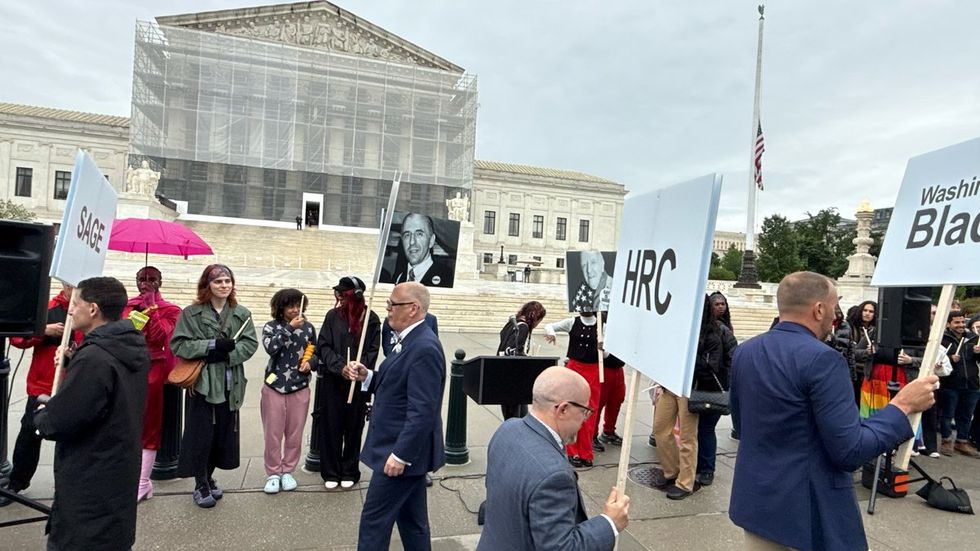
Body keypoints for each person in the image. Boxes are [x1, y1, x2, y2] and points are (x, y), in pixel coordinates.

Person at [729, 271, 938, 551]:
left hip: (757, 504)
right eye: (834, 305)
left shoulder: (746, 351)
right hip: (807, 514)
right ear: (818, 309)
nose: (835, 314)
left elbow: (742, 427)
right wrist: (902, 406)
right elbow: (850, 451)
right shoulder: (823, 359)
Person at [33, 277, 150, 551]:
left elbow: (63, 420)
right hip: (117, 468)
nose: (71, 310)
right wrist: (75, 361)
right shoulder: (129, 344)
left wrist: (42, 416)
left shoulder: (96, 358)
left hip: (91, 477)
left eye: (75, 303)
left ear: (94, 309)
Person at [478, 366, 629, 550]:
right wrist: (609, 523)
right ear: (563, 409)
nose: (585, 420)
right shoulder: (554, 476)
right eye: (585, 411)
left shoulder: (507, 429)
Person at [342, 282, 446, 550]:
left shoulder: (424, 347)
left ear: (413, 308)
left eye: (392, 304)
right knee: (412, 521)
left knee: (374, 522)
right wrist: (368, 376)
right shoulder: (409, 339)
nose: (388, 310)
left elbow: (423, 410)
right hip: (402, 450)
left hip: (399, 452)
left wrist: (401, 455)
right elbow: (397, 386)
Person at [171, 264, 258, 508]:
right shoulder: (191, 313)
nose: (224, 285)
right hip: (203, 385)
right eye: (218, 281)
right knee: (201, 435)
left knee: (221, 436)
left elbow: (250, 344)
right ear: (207, 285)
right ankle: (200, 483)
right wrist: (211, 346)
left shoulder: (242, 313)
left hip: (231, 385)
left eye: (227, 281)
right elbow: (179, 345)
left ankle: (209, 477)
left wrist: (230, 354)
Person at [0, 283, 82, 507]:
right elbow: (18, 340)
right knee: (30, 433)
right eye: (68, 283)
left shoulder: (86, 309)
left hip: (74, 384)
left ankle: (66, 488)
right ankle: (18, 482)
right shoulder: (48, 308)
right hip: (42, 384)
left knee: (71, 438)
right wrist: (43, 330)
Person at [122, 266, 181, 502]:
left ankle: (143, 481)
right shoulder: (127, 306)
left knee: (149, 425)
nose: (146, 283)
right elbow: (125, 336)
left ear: (160, 282)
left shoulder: (171, 310)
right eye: (142, 279)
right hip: (127, 368)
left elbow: (160, 337)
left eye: (152, 279)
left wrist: (151, 309)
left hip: (153, 369)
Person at [315, 276, 380, 489]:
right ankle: (331, 471)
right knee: (331, 426)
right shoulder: (332, 316)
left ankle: (350, 469)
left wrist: (359, 368)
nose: (339, 297)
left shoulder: (371, 319)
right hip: (334, 382)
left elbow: (372, 349)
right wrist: (340, 366)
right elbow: (323, 346)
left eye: (344, 294)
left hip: (358, 382)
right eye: (338, 294)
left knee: (354, 427)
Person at [260, 289, 316, 494]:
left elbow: (316, 350)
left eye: (297, 306)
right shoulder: (271, 327)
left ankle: (288, 471)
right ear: (280, 308)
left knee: (295, 432)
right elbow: (271, 348)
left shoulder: (309, 328)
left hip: (299, 386)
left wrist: (311, 362)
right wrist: (289, 329)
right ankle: (273, 473)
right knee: (273, 433)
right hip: (274, 385)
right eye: (289, 306)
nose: (294, 310)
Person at [544, 311, 602, 467]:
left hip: (594, 370)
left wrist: (604, 348)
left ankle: (586, 451)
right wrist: (551, 333)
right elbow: (549, 325)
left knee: (589, 411)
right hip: (574, 368)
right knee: (570, 409)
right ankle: (572, 450)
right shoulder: (572, 322)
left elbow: (609, 352)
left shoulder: (602, 325)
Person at [695, 295, 738, 488]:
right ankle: (698, 465)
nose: (719, 307)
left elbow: (730, 359)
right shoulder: (699, 329)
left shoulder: (721, 331)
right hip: (698, 387)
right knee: (695, 431)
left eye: (722, 304)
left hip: (713, 387)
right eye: (716, 304)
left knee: (705, 429)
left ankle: (706, 469)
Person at [937, 310, 980, 457]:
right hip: (951, 383)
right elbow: (937, 360)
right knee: (947, 413)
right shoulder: (942, 339)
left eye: (962, 322)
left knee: (966, 415)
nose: (961, 325)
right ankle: (946, 440)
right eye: (957, 322)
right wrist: (949, 358)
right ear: (949, 324)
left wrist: (978, 353)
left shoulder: (973, 337)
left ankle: (962, 441)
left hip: (972, 383)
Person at [496, 300, 547, 420]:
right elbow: (513, 351)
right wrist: (528, 358)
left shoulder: (513, 323)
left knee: (516, 415)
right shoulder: (522, 327)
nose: (538, 324)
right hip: (513, 378)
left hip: (502, 372)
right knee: (518, 416)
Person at [391, 213, 455, 287]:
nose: (412, 242)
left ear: (431, 241)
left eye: (419, 234)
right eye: (407, 235)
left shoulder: (446, 277)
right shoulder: (398, 278)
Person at [848, 300, 877, 406]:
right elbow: (850, 352)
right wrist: (866, 352)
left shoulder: (876, 330)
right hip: (853, 373)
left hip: (868, 373)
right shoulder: (850, 327)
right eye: (865, 310)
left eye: (871, 311)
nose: (867, 313)